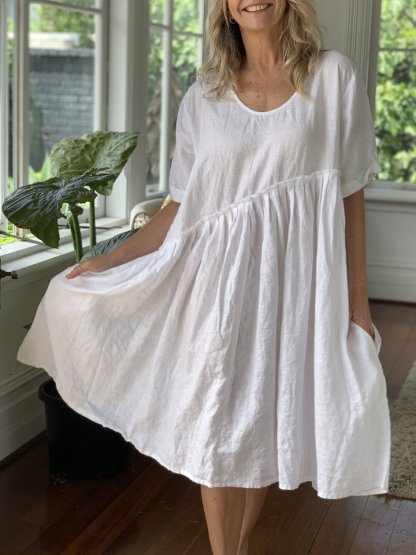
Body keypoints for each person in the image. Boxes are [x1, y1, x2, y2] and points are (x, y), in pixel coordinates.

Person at [18, 1, 391, 554]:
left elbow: (349, 195)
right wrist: (109, 260)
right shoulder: (205, 94)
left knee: (265, 426)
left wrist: (358, 306)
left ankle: (237, 546)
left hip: (294, 293)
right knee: (217, 429)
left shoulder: (333, 77)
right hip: (213, 289)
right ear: (224, 8)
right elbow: (180, 207)